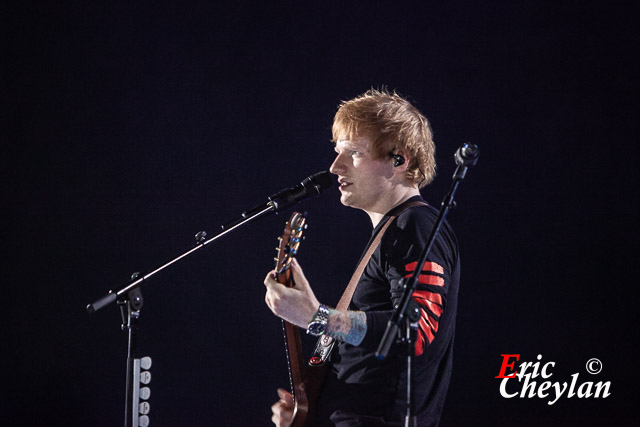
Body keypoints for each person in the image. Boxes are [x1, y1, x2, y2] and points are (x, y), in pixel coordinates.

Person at [264, 89, 460, 427]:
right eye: (337, 151)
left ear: (401, 159)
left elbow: (417, 332)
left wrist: (317, 317)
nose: (334, 167)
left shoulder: (416, 225)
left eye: (353, 153)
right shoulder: (391, 230)